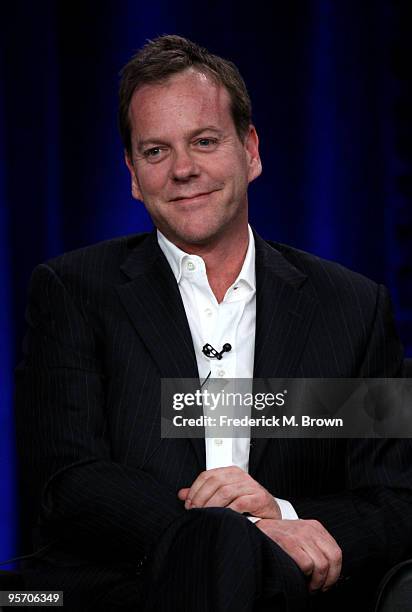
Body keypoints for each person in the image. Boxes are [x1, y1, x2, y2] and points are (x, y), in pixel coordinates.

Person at [15, 35, 412, 611]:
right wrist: (241, 535)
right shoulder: (73, 292)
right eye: (155, 151)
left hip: (291, 594)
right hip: (130, 587)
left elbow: (397, 497)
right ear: (131, 173)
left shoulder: (351, 307)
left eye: (204, 141)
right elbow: (70, 481)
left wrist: (286, 516)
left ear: (250, 151)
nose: (182, 169)